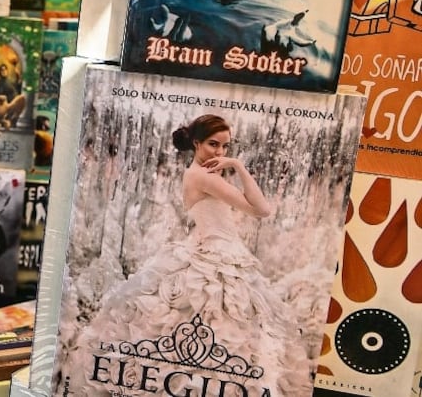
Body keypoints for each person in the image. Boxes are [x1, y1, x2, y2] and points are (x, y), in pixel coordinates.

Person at [73, 114, 309, 396]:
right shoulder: (202, 176)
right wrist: (237, 165)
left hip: (218, 252)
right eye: (213, 144)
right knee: (213, 324)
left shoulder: (199, 174)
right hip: (215, 254)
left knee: (217, 326)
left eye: (225, 147)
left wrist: (232, 165)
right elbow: (261, 210)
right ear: (196, 143)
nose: (220, 152)